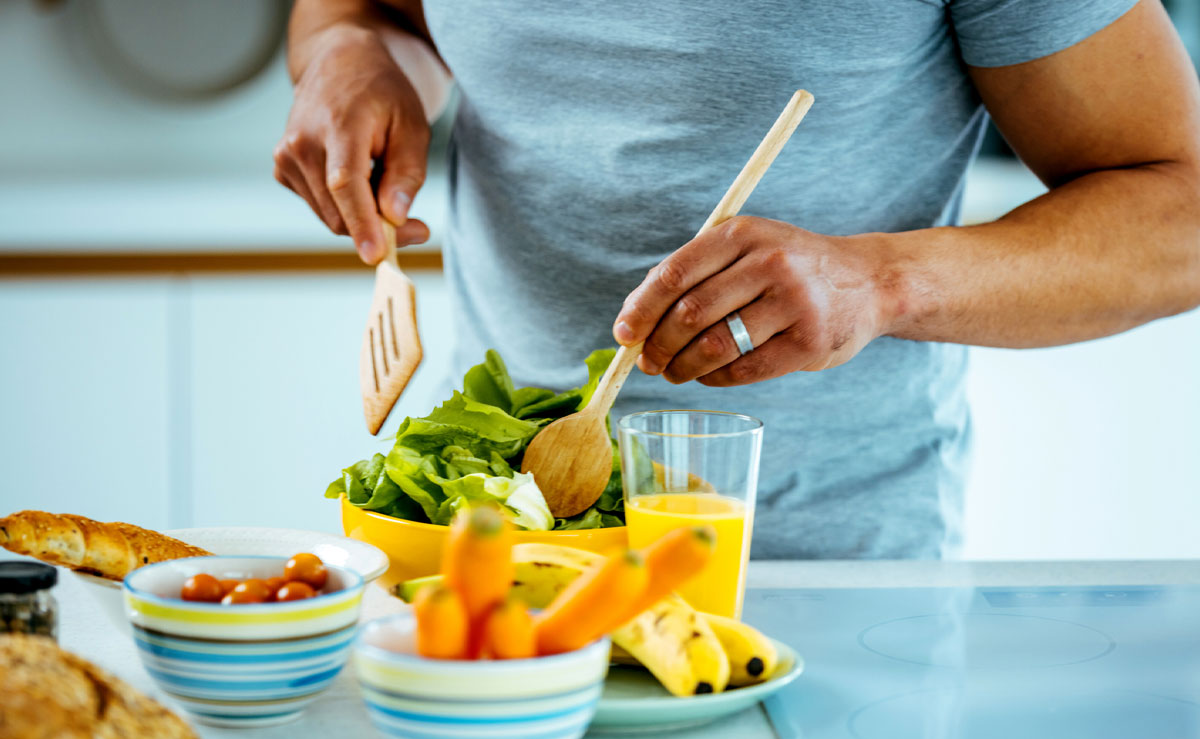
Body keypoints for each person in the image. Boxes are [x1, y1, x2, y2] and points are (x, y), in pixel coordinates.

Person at [275, 0, 1200, 559]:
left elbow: (1181, 211)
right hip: (478, 537)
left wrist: (878, 284)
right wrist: (348, 55)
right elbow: (371, 13)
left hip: (811, 567)